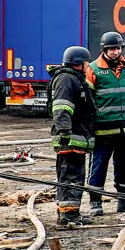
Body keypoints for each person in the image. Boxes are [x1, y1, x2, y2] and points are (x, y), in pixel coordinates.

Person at [86, 31, 125, 215]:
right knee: (98, 166)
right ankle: (95, 203)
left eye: (118, 48)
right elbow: (88, 102)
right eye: (111, 49)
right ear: (104, 49)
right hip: (103, 130)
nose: (115, 52)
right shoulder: (93, 69)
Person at [50, 46, 96, 226]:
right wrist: (65, 132)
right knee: (71, 176)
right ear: (79, 63)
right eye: (86, 62)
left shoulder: (73, 78)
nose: (88, 66)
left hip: (74, 136)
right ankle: (69, 216)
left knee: (70, 175)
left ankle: (68, 213)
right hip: (70, 137)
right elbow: (61, 107)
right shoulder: (67, 79)